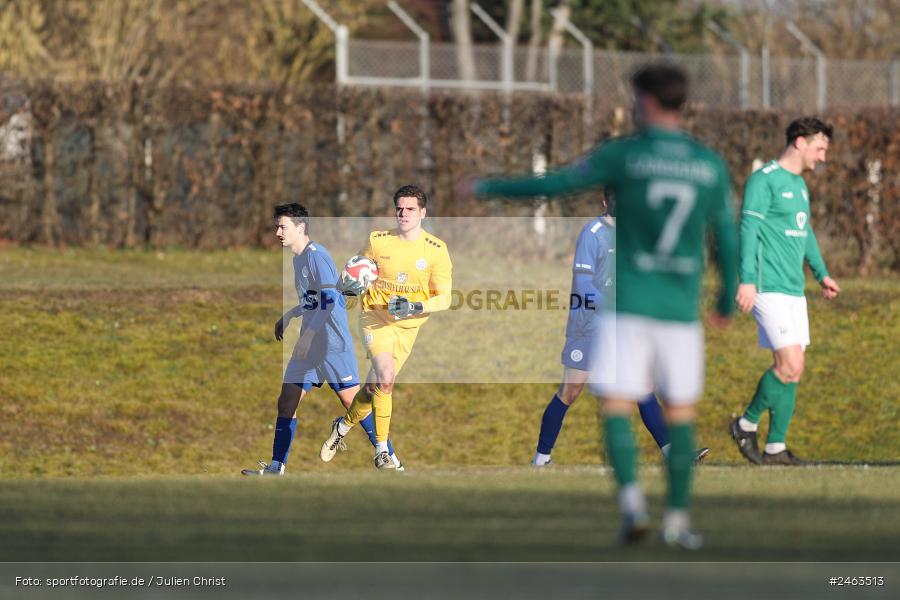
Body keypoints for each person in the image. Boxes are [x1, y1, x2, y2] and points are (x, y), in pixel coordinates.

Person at [470, 64, 738, 549]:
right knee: (678, 411)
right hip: (679, 310)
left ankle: (633, 506)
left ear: (649, 101)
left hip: (628, 308)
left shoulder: (627, 155)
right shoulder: (708, 164)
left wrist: (491, 187)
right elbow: (727, 234)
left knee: (616, 405)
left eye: (636, 98)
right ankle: (677, 521)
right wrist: (725, 295)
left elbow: (553, 186)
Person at [533, 198, 710, 467]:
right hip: (588, 326)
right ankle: (540, 459)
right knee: (571, 390)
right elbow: (583, 286)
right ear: (605, 201)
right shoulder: (592, 234)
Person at [242, 203, 402, 476]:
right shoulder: (298, 258)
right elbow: (313, 300)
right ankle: (276, 467)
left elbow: (329, 300)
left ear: (300, 228)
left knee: (354, 405)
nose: (278, 232)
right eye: (277, 226)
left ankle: (391, 459)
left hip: (331, 344)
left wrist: (310, 334)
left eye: (283, 226)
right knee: (287, 400)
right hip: (310, 344)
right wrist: (290, 314)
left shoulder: (318, 256)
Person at [729, 117, 840, 466]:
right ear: (800, 142)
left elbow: (804, 232)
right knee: (789, 362)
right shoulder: (764, 181)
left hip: (793, 288)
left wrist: (821, 273)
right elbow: (748, 229)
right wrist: (746, 278)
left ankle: (775, 447)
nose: (823, 157)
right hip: (766, 285)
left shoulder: (799, 185)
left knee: (795, 367)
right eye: (819, 148)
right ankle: (745, 424)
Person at [320, 185, 453, 470]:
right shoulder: (378, 241)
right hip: (375, 317)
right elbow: (357, 269)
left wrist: (414, 307)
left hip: (407, 327)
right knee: (387, 376)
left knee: (373, 386)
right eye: (399, 208)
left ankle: (342, 427)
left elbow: (445, 298)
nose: (403, 214)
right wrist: (350, 283)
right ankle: (382, 451)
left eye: (410, 209)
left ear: (423, 213)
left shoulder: (436, 250)